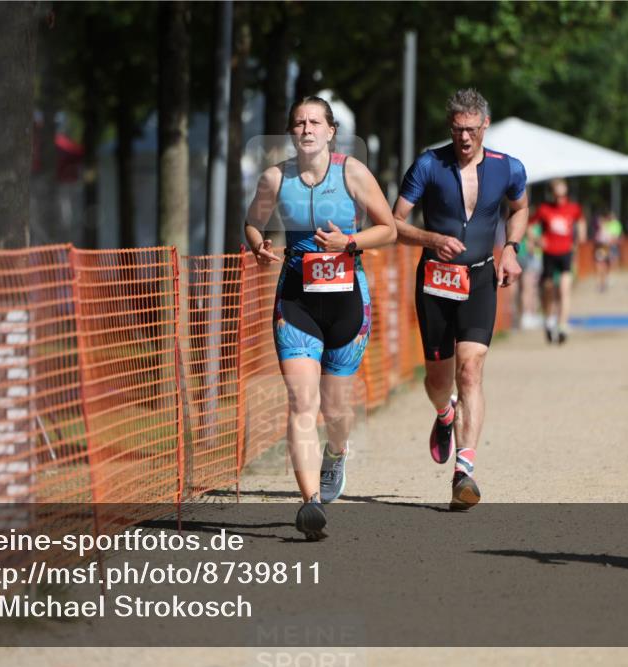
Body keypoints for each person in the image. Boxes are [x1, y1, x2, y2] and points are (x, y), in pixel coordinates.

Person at [243, 96, 396, 539]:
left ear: (330, 131)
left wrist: (349, 242)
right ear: (291, 133)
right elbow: (253, 222)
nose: (306, 129)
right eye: (298, 123)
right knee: (301, 402)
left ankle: (337, 450)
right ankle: (309, 503)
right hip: (296, 299)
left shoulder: (352, 172)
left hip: (347, 297)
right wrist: (257, 243)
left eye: (315, 122)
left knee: (334, 407)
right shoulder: (275, 178)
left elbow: (387, 229)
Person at [392, 89, 528, 511]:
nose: (464, 138)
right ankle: (445, 414)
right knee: (437, 380)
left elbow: (519, 209)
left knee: (470, 370)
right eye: (456, 130)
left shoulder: (509, 168)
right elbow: (394, 223)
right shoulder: (429, 165)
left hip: (481, 279)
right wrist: (431, 238)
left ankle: (464, 472)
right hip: (435, 281)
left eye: (471, 130)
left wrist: (511, 249)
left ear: (485, 125)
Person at [530, 179, 586, 344]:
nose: (560, 199)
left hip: (566, 252)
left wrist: (580, 238)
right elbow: (530, 226)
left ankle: (562, 326)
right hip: (549, 253)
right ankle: (549, 320)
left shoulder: (573, 208)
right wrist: (537, 239)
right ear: (552, 194)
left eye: (563, 195)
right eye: (557, 195)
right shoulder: (544, 209)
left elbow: (581, 221)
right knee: (548, 289)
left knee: (564, 290)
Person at [593, 210, 623, 292]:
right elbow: (596, 240)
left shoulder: (607, 230)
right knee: (599, 267)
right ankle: (600, 283)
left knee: (605, 266)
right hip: (600, 250)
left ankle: (603, 283)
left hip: (606, 250)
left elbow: (613, 240)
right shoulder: (598, 231)